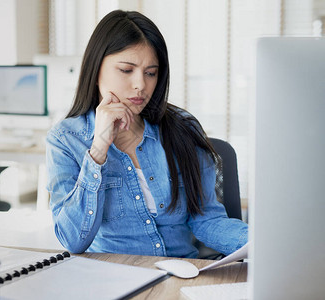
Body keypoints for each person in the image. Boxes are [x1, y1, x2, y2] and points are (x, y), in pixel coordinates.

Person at [46, 10, 248, 258]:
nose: (140, 85)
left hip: (181, 274)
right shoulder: (65, 139)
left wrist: (262, 243)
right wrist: (99, 149)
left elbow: (206, 220)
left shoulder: (183, 128)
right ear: (96, 68)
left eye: (150, 73)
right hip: (114, 279)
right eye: (126, 70)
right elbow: (73, 240)